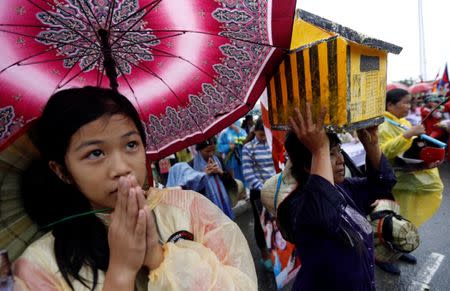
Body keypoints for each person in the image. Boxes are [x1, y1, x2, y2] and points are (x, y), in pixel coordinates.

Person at [13, 87, 257, 290]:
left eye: (131, 144)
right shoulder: (38, 267)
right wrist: (121, 272)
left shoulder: (189, 208)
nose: (121, 167)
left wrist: (158, 257)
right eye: (95, 153)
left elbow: (243, 283)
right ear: (62, 171)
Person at [277, 104, 396, 290]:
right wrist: (319, 150)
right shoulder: (297, 206)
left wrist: (371, 143)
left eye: (339, 150)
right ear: (307, 165)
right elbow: (324, 215)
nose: (341, 159)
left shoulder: (343, 188)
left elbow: (382, 183)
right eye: (330, 154)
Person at [378, 88, 444, 273]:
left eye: (410, 103)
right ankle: (382, 255)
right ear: (390, 104)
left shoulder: (404, 122)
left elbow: (412, 148)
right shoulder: (382, 124)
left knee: (403, 218)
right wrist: (407, 135)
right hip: (393, 179)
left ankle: (398, 249)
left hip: (408, 176)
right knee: (389, 219)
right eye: (405, 103)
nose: (409, 107)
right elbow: (383, 152)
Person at [242, 118, 276, 271]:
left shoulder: (272, 143)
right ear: (254, 131)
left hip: (276, 188)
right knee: (261, 223)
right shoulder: (248, 148)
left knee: (276, 221)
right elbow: (248, 174)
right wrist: (265, 189)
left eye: (265, 135)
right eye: (261, 134)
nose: (263, 137)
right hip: (259, 192)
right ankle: (264, 253)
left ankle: (278, 251)